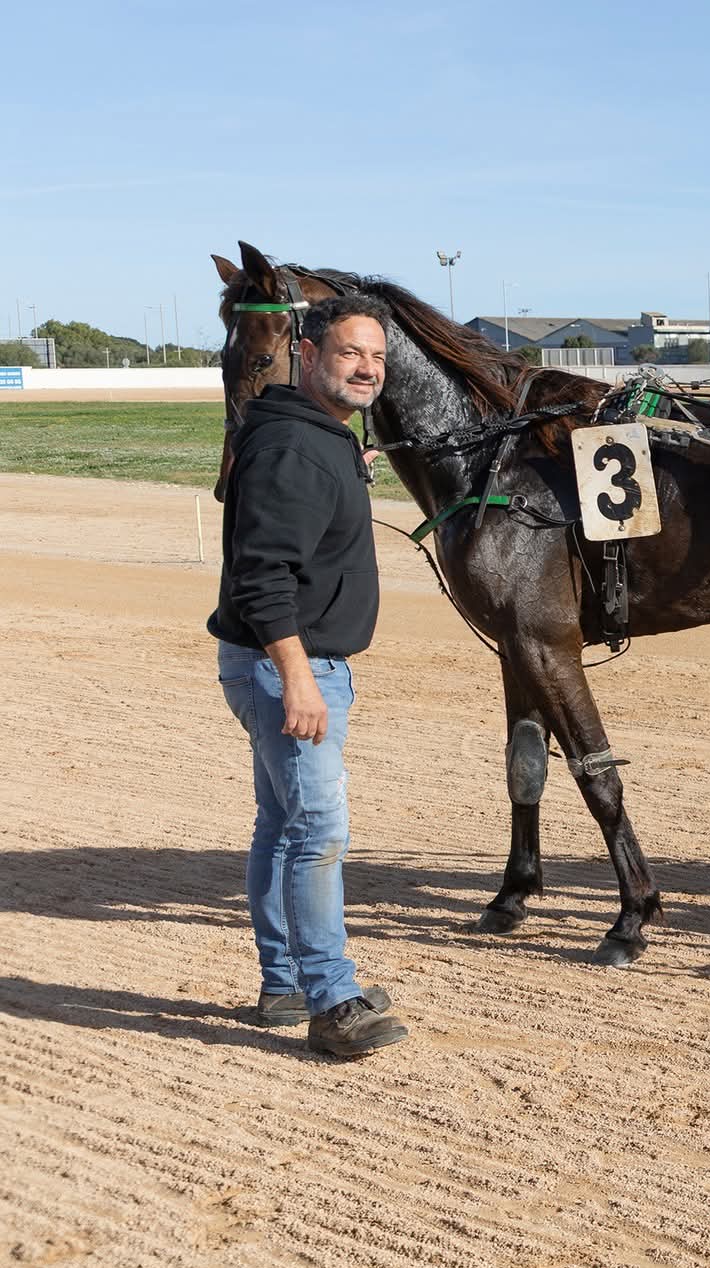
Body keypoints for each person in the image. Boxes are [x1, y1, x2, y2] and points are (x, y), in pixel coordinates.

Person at [210, 293, 410, 1059]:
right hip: (287, 663)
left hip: (282, 660)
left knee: (283, 824)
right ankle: (331, 999)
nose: (367, 369)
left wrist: (343, 464)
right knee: (317, 831)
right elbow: (263, 575)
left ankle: (286, 983)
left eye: (377, 358)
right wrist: (297, 677)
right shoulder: (297, 448)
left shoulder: (315, 437)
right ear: (307, 353)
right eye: (350, 353)